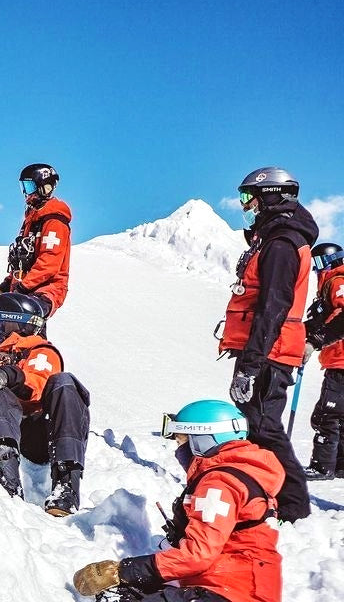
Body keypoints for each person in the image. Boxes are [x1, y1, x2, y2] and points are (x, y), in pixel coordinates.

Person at [73, 400, 284, 602]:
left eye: (182, 441)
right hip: (231, 588)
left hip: (227, 593)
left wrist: (122, 571)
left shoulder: (219, 484)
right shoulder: (238, 475)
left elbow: (198, 554)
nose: (179, 449)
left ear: (203, 439)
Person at [219, 166, 317, 522]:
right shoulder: (273, 237)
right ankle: (269, 493)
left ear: (271, 195)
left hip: (269, 351)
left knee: (263, 425)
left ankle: (292, 504)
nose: (246, 204)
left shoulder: (281, 244)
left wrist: (250, 363)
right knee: (257, 424)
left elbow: (273, 306)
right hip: (265, 349)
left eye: (250, 196)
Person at [0, 292, 90, 516]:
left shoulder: (41, 352)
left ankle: (66, 485)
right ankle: (5, 476)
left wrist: (9, 375)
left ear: (13, 323)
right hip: (5, 430)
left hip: (39, 436)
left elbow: (37, 385)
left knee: (65, 383)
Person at [0, 164, 72, 324]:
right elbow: (22, 265)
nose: (25, 192)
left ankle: (35, 349)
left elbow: (49, 264)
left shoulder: (54, 221)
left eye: (29, 186)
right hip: (28, 289)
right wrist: (2, 288)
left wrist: (20, 289)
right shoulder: (31, 220)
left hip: (46, 290)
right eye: (23, 186)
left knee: (15, 321)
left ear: (44, 187)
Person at [303, 241, 344, 480]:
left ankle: (322, 466)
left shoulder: (338, 281)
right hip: (337, 359)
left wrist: (316, 340)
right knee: (339, 415)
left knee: (326, 415)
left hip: (340, 360)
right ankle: (339, 464)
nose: (317, 270)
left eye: (318, 264)